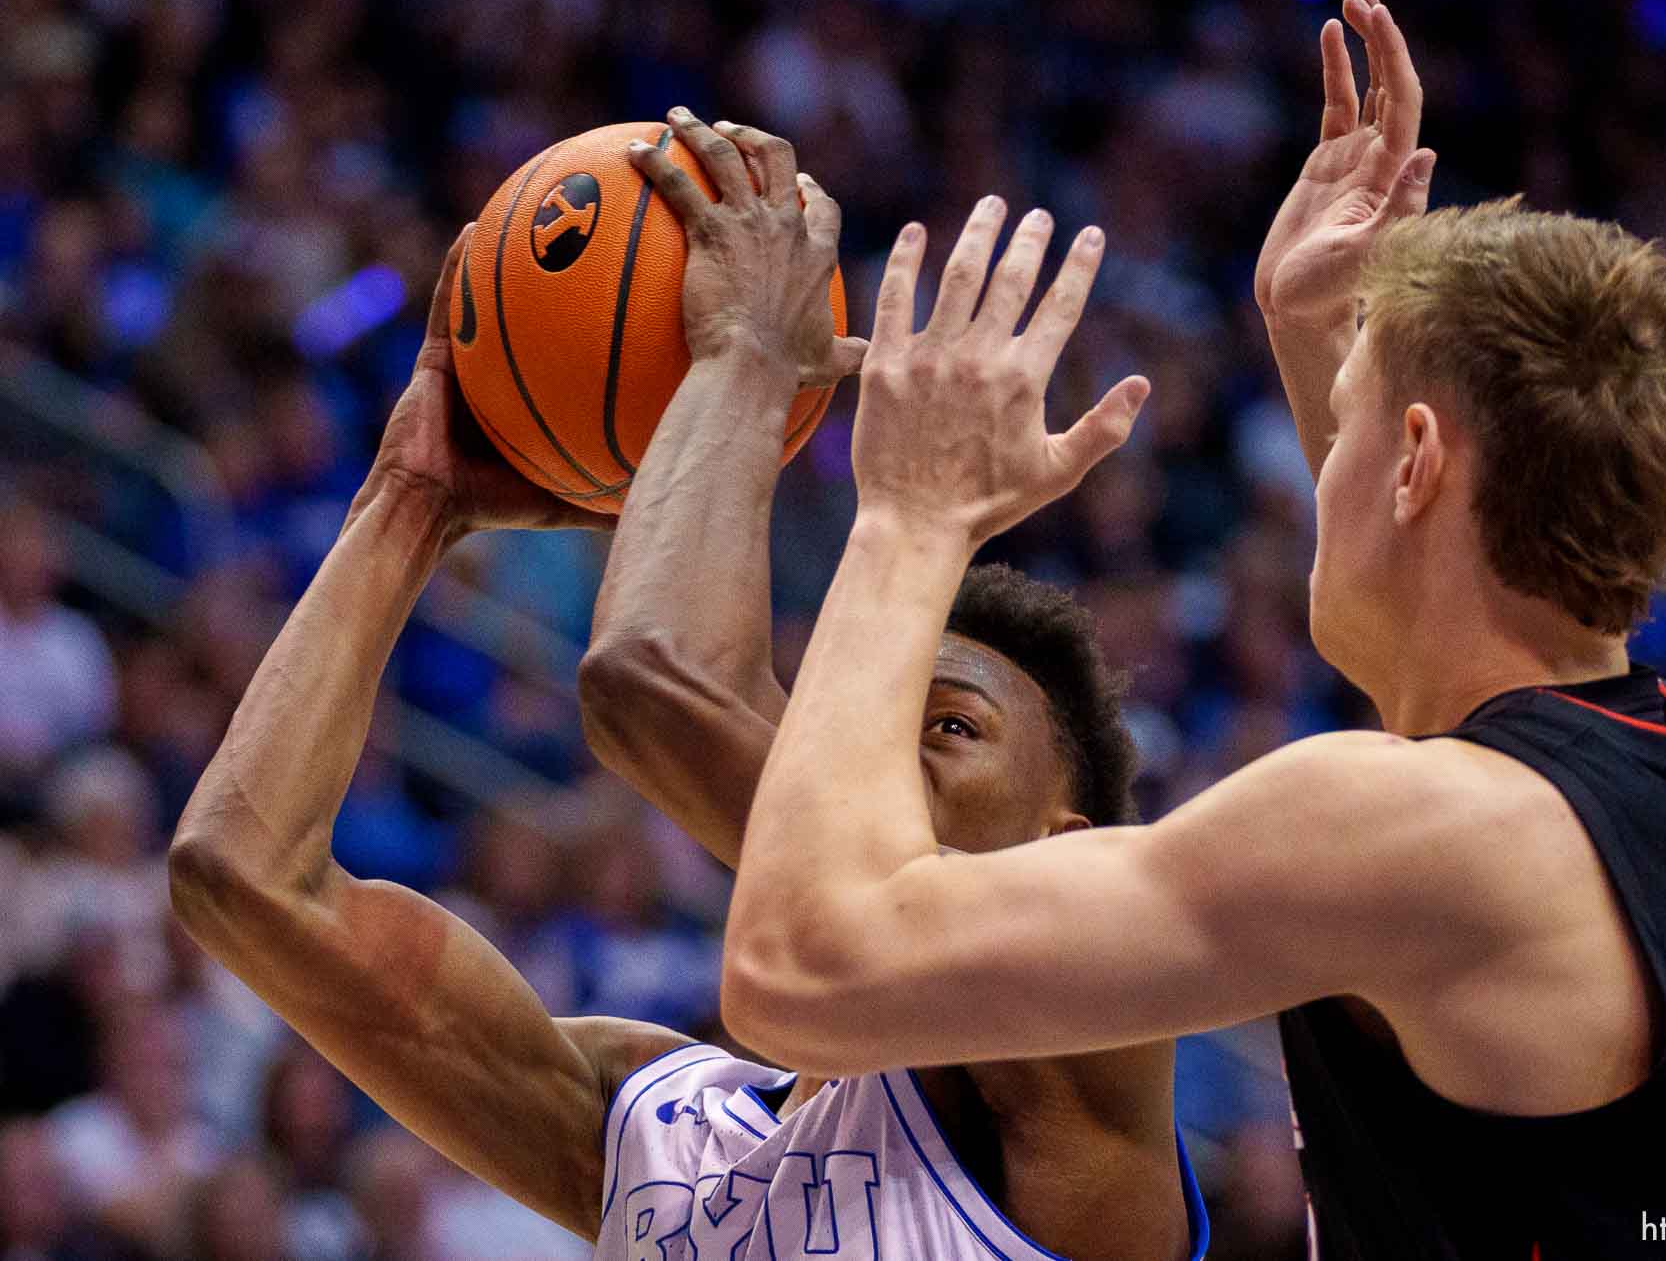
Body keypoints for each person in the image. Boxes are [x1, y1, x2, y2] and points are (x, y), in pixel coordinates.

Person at [715, 0, 1666, 1261]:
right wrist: (1324, 334)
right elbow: (1428, 630)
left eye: (1359, 409)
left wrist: (911, 519)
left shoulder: (1427, 839)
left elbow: (798, 970)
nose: (1324, 465)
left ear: (1420, 457)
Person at [170, 107, 1206, 1261]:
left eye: (950, 726)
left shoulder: (1090, 1052)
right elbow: (243, 879)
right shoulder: (663, 1120)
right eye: (860, 705)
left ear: (1059, 849)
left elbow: (651, 677)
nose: (862, 746)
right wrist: (412, 504)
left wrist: (752, 348)